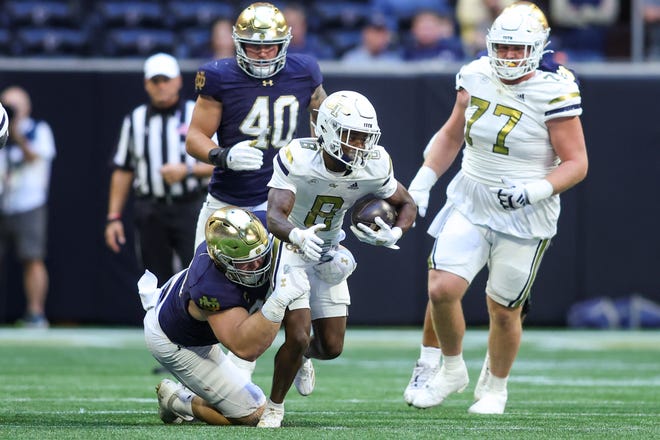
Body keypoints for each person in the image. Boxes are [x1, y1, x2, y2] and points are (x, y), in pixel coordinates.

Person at [404, 1, 588, 414]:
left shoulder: (555, 89)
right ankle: (451, 368)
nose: (507, 56)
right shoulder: (474, 73)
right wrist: (423, 182)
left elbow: (577, 164)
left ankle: (496, 389)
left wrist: (534, 190)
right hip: (472, 195)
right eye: (501, 47)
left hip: (525, 212)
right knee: (442, 287)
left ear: (538, 48)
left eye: (516, 48)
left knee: (504, 310)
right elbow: (452, 134)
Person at [258, 90, 417, 427]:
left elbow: (407, 204)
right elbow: (274, 216)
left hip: (329, 251)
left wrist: (396, 233)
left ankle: (301, 358)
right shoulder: (298, 158)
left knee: (330, 347)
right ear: (327, 131)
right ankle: (274, 406)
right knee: (298, 335)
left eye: (366, 137)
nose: (360, 146)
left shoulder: (374, 164)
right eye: (352, 136)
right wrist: (298, 235)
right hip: (292, 247)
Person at [143, 206, 311, 426]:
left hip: (179, 299)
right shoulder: (209, 285)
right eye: (246, 262)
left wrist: (333, 257)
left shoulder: (264, 225)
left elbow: (307, 232)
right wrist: (278, 300)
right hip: (176, 340)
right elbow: (247, 349)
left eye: (260, 255)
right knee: (252, 413)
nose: (257, 265)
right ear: (222, 261)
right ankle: (178, 401)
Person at [186, 1, 326, 249]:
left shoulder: (304, 71)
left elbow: (323, 122)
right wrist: (224, 156)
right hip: (226, 199)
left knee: (278, 282)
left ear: (284, 43)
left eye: (270, 46)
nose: (263, 53)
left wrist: (316, 161)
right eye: (254, 46)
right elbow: (194, 137)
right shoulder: (219, 76)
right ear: (238, 43)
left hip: (281, 200)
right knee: (204, 278)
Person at [105, 53, 213, 283]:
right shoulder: (135, 120)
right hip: (151, 209)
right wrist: (113, 217)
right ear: (147, 84)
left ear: (178, 81)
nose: (162, 86)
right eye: (156, 81)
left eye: (166, 80)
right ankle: (157, 320)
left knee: (199, 274)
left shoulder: (198, 113)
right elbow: (123, 169)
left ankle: (195, 321)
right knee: (153, 280)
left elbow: (222, 161)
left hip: (192, 205)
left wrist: (188, 170)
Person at [0, 86, 56, 328]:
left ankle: (35, 312)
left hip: (29, 202)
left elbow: (35, 157)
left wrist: (15, 133)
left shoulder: (38, 129)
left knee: (32, 258)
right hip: (3, 200)